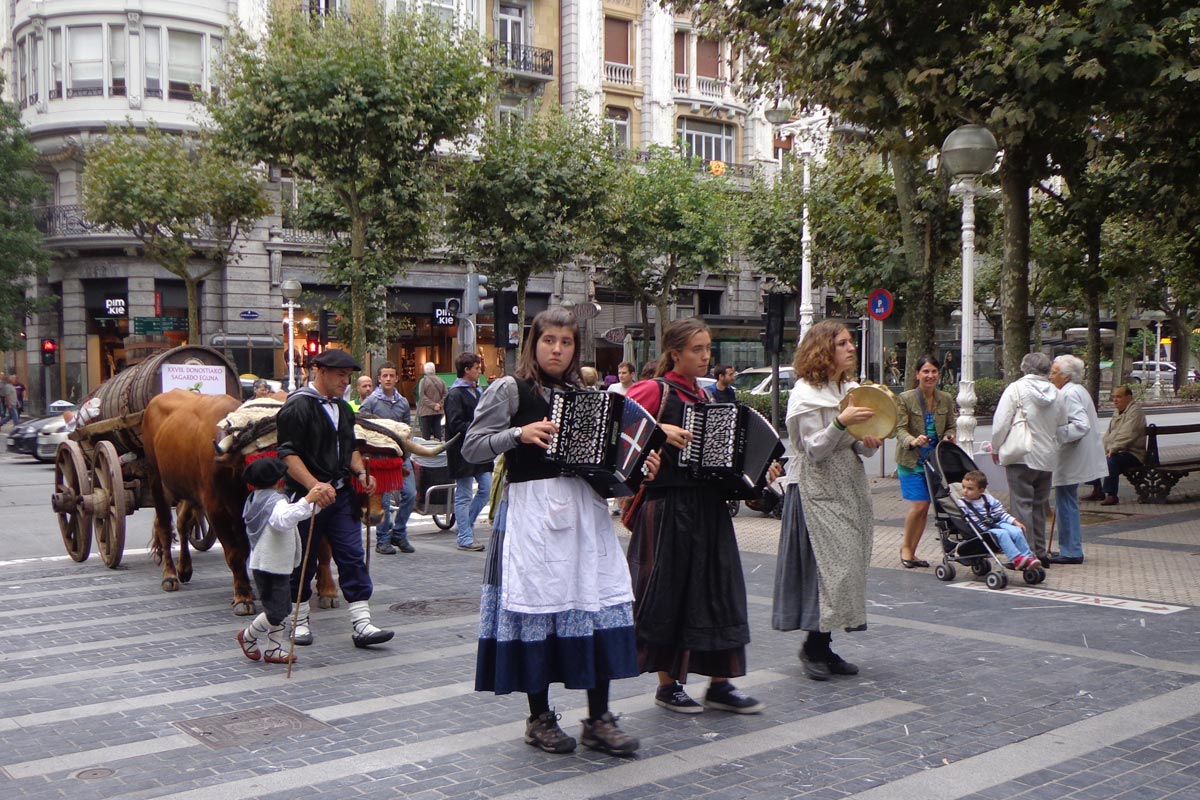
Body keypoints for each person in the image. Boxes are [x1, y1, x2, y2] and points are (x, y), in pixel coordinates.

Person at [464, 307, 646, 756]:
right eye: (549, 341)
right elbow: (471, 447)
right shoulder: (511, 390)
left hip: (584, 515)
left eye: (565, 343)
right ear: (534, 343)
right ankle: (539, 718)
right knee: (536, 614)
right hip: (531, 516)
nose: (557, 350)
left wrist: (640, 465)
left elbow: (609, 458)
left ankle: (598, 719)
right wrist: (517, 434)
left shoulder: (587, 393)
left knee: (596, 605)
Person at [626, 317, 764, 716]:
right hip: (667, 507)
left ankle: (720, 683)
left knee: (717, 593)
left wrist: (753, 476)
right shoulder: (656, 389)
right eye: (697, 350)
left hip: (707, 509)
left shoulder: (707, 398)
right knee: (669, 595)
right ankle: (668, 685)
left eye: (707, 349)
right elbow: (620, 422)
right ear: (675, 353)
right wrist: (658, 429)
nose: (706, 356)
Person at [772, 319, 882, 681]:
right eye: (843, 343)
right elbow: (812, 450)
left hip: (847, 484)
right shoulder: (805, 393)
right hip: (816, 487)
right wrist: (840, 423)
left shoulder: (850, 389)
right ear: (824, 349)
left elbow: (852, 445)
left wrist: (865, 440)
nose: (851, 348)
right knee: (830, 571)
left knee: (849, 567)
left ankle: (824, 644)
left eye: (851, 342)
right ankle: (814, 646)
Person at [275, 348, 393, 649]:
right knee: (302, 560)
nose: (346, 381)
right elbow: (287, 454)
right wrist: (314, 486)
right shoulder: (297, 407)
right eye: (340, 375)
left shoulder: (344, 408)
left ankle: (362, 623)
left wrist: (361, 473)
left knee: (352, 555)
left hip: (340, 495)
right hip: (306, 497)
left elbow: (351, 446)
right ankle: (298, 621)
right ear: (320, 371)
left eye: (348, 376)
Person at [237, 457, 323, 664]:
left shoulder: (256, 498)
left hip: (267, 563)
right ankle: (248, 635)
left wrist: (315, 506)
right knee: (280, 610)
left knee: (276, 607)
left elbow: (290, 515)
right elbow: (283, 520)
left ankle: (274, 649)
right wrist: (307, 500)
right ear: (278, 481)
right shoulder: (274, 501)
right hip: (272, 565)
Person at [990, 352, 1066, 565]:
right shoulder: (1056, 392)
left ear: (1024, 368)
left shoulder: (1015, 389)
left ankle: (1025, 554)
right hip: (1047, 457)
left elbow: (1001, 424)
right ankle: (1041, 551)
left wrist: (996, 447)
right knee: (1039, 506)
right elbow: (1062, 421)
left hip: (1021, 455)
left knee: (1021, 505)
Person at [893, 355, 957, 568]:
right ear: (917, 374)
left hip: (934, 461)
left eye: (934, 372)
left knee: (927, 506)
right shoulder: (905, 398)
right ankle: (906, 548)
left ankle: (912, 551)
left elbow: (950, 425)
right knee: (920, 505)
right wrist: (913, 441)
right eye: (926, 372)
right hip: (911, 461)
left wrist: (949, 436)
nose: (930, 376)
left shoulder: (945, 398)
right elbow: (899, 429)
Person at [1048, 355, 1106, 564]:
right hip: (1075, 455)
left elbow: (1081, 425)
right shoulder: (1075, 391)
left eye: (1054, 372)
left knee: (1066, 502)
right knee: (1066, 500)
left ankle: (1071, 550)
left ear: (1065, 375)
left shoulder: (1069, 394)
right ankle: (1070, 547)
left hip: (1072, 455)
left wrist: (1055, 432)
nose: (1050, 376)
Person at [359, 361, 417, 555]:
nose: (388, 379)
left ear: (397, 378)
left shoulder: (402, 402)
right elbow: (362, 428)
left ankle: (399, 532)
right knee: (382, 499)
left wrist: (407, 453)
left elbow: (406, 430)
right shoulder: (370, 402)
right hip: (379, 457)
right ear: (379, 378)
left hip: (400, 455)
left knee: (410, 494)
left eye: (392, 376)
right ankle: (382, 540)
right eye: (385, 376)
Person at [445, 352, 493, 552]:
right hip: (462, 450)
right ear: (466, 370)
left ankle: (466, 525)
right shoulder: (455, 394)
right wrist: (478, 427)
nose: (479, 371)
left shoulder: (478, 391)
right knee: (464, 493)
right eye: (476, 368)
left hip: (479, 448)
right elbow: (455, 424)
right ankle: (464, 536)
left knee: (486, 488)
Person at [955, 470, 1041, 571]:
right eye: (963, 487)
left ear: (981, 490)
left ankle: (1028, 558)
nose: (965, 491)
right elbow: (966, 519)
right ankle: (1016, 559)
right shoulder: (962, 503)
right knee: (1002, 533)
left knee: (1016, 530)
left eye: (970, 489)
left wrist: (1015, 522)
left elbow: (1001, 513)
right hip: (982, 528)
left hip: (995, 522)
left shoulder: (988, 499)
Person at [1083, 385, 1146, 506]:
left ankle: (1111, 495)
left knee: (1111, 460)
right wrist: (1100, 448)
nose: (1115, 400)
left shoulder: (1135, 412)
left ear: (1129, 397)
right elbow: (1109, 434)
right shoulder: (1117, 411)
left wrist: (1112, 449)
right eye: (1114, 397)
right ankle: (1097, 489)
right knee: (1093, 454)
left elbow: (1128, 434)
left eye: (1119, 397)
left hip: (1133, 453)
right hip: (1118, 450)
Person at [416, 362, 448, 440]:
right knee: (438, 432)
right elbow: (446, 394)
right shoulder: (441, 381)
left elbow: (422, 396)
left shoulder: (423, 381)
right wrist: (439, 405)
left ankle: (427, 450)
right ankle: (438, 448)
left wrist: (433, 405)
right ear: (434, 370)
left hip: (426, 411)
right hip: (438, 411)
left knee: (426, 434)